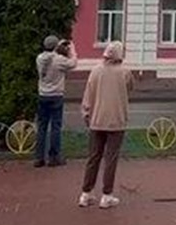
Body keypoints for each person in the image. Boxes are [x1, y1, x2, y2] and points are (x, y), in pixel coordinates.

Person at [78, 40, 133, 209]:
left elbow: (88, 94)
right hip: (116, 121)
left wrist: (86, 113)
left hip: (96, 120)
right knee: (111, 158)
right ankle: (106, 195)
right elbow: (130, 88)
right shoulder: (125, 72)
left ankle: (86, 193)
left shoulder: (95, 71)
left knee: (93, 157)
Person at [34, 35, 77, 167]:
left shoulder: (39, 58)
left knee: (41, 127)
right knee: (55, 128)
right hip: (56, 96)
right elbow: (73, 64)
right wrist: (72, 49)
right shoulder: (59, 60)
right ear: (55, 46)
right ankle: (53, 157)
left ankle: (39, 158)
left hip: (42, 95)